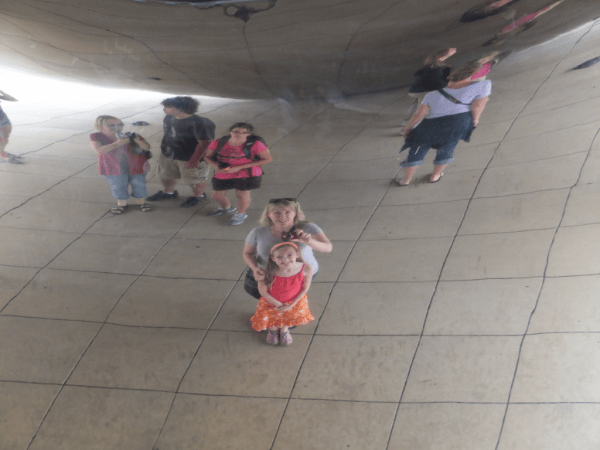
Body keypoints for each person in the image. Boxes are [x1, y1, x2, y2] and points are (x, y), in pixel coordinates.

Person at [397, 63, 491, 185]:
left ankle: (406, 180)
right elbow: (478, 105)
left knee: (417, 150)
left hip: (429, 126)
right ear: (472, 76)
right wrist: (475, 119)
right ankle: (435, 176)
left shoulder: (431, 95)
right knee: (447, 148)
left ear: (449, 78)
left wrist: (407, 129)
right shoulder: (483, 85)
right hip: (458, 123)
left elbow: (417, 116)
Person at [243, 198, 332, 298]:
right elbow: (247, 253)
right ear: (268, 214)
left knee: (293, 299)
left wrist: (309, 241)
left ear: (296, 213)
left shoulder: (309, 228)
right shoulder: (258, 232)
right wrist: (255, 269)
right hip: (269, 276)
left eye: (287, 212)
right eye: (277, 213)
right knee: (267, 300)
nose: (282, 217)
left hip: (301, 274)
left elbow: (328, 248)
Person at [147, 96, 215, 208]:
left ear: (180, 109)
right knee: (166, 175)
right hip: (169, 154)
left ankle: (198, 196)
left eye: (167, 107)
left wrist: (195, 159)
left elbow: (206, 143)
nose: (164, 109)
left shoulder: (201, 123)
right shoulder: (168, 117)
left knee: (194, 179)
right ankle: (169, 192)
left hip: (189, 156)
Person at [204, 123, 272, 226]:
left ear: (249, 134)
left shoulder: (255, 144)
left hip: (246, 173)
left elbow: (267, 159)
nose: (239, 134)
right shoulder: (219, 142)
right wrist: (216, 166)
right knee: (217, 195)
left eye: (244, 132)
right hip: (224, 172)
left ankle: (241, 213)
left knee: (242, 194)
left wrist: (239, 167)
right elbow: (207, 156)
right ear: (229, 132)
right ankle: (227, 208)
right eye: (235, 131)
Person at [250, 242, 314, 345]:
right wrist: (280, 306)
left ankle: (284, 330)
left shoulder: (306, 269)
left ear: (297, 254)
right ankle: (273, 330)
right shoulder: (266, 271)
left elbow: (305, 289)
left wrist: (290, 306)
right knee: (272, 316)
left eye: (289, 255)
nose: (285, 259)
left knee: (288, 317)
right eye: (279, 257)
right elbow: (263, 291)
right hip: (271, 302)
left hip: (294, 302)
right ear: (273, 258)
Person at [90, 116, 152, 214]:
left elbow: (147, 147)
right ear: (99, 126)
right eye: (110, 125)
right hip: (113, 166)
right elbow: (99, 150)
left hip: (136, 165)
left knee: (139, 183)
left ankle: (141, 202)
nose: (116, 127)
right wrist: (118, 143)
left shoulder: (131, 135)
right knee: (118, 185)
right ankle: (121, 203)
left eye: (119, 124)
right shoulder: (96, 136)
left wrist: (136, 140)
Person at [403, 48, 456, 125]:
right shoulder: (436, 70)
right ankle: (410, 126)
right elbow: (439, 84)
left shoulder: (426, 67)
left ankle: (405, 121)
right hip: (422, 92)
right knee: (420, 110)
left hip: (413, 91)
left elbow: (417, 74)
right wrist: (447, 81)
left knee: (413, 106)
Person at [0, 89, 23, 164]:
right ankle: (3, 155)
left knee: (5, 139)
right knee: (1, 140)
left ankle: (2, 152)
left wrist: (1, 91)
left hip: (4, 119)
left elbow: (13, 99)